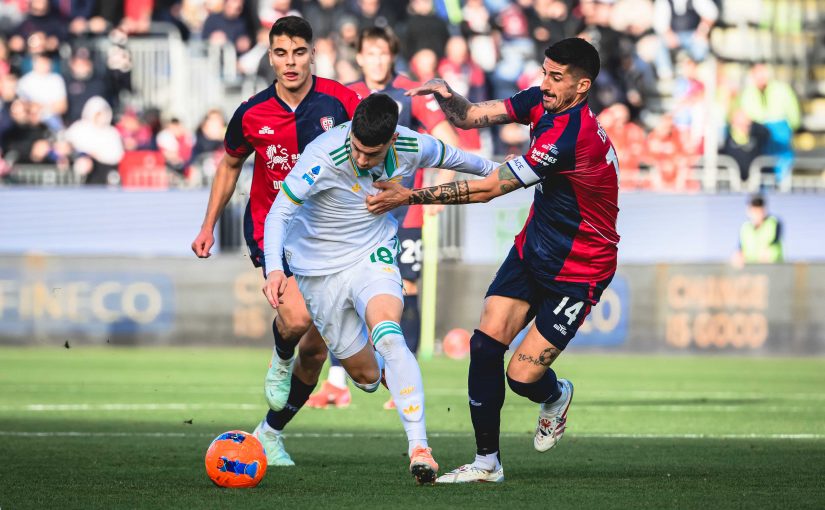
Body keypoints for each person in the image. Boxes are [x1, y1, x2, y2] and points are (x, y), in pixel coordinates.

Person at [367, 38, 620, 483]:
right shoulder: (544, 102)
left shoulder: (570, 135)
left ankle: (556, 394)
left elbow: (489, 189)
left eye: (555, 77)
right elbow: (471, 116)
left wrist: (412, 195)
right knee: (483, 346)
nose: (544, 83)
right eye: (544, 71)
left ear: (582, 87)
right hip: (533, 247)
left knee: (521, 377)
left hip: (580, 266)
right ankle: (487, 464)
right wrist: (448, 97)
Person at [261, 93, 498, 485]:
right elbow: (280, 212)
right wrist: (273, 269)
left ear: (390, 140)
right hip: (318, 272)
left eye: (370, 154)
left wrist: (508, 172)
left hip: (372, 255)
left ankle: (419, 448)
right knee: (368, 377)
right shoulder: (322, 154)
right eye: (356, 148)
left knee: (389, 335)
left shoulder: (411, 144)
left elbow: (461, 159)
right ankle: (286, 362)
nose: (361, 159)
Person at [190, 16, 360, 467]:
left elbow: (371, 154)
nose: (290, 62)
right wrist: (208, 224)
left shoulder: (343, 102)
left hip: (329, 233)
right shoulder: (251, 112)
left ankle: (270, 431)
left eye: (299, 52)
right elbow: (229, 165)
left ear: (313, 53)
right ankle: (279, 356)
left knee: (318, 348)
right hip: (274, 229)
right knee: (297, 317)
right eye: (281, 53)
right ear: (270, 56)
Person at [306, 26, 461, 410]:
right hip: (354, 217)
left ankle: (398, 378)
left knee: (404, 292)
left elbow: (448, 141)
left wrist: (438, 190)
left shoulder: (411, 92)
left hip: (402, 214)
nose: (376, 60)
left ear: (391, 56)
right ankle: (338, 383)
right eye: (369, 53)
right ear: (359, 56)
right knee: (343, 295)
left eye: (382, 53)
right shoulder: (345, 94)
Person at [732, 194, 783, 267]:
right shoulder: (745, 228)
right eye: (754, 208)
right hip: (751, 271)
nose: (757, 212)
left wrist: (767, 254)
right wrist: (738, 256)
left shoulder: (773, 223)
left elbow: (774, 245)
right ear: (748, 210)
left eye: (759, 207)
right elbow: (739, 250)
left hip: (773, 268)